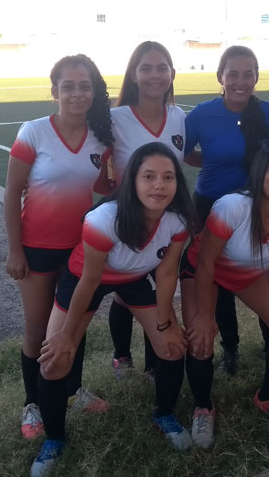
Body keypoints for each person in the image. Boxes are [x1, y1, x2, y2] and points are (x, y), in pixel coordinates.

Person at [30, 143, 197, 475]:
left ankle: (163, 413)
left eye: (168, 177)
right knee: (54, 362)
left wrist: (166, 323)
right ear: (132, 181)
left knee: (173, 348)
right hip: (84, 278)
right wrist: (65, 336)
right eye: (149, 177)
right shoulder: (104, 218)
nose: (159, 185)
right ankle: (55, 440)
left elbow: (166, 273)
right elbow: (91, 281)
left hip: (135, 277)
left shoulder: (177, 219)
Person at [181, 138, 269, 447]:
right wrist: (205, 316)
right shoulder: (232, 206)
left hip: (247, 273)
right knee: (200, 340)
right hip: (203, 270)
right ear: (259, 172)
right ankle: (204, 407)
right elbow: (205, 264)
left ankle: (267, 396)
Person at [4, 54, 114, 443]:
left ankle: (71, 391)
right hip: (36, 249)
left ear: (95, 91)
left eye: (85, 85)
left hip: (79, 250)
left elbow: (101, 185)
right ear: (54, 92)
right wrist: (15, 250)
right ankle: (32, 402)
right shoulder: (33, 131)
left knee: (72, 327)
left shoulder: (101, 137)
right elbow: (12, 192)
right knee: (37, 332)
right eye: (68, 86)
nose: (77, 93)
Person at [184, 45, 269, 376]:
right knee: (216, 283)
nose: (240, 81)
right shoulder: (202, 115)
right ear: (220, 77)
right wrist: (216, 162)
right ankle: (229, 349)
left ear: (257, 77)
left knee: (263, 275)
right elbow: (185, 153)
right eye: (233, 73)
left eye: (248, 74)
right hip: (209, 208)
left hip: (257, 210)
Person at [108, 41, 185, 382]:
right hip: (129, 222)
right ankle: (121, 357)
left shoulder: (180, 116)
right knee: (126, 294)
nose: (155, 75)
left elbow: (187, 159)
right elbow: (95, 170)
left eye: (161, 67)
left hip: (168, 221)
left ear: (171, 74)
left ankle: (155, 364)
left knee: (159, 290)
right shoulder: (115, 118)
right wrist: (123, 199)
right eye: (146, 68)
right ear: (134, 75)